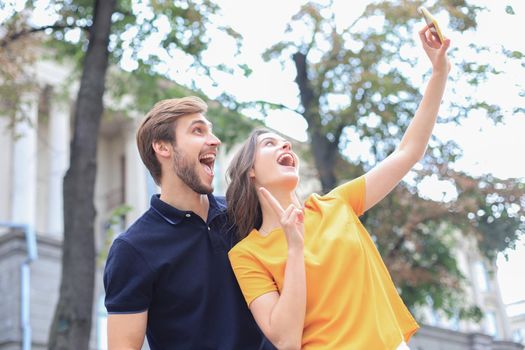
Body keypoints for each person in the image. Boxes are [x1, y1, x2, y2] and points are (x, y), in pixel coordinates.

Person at [226, 26, 451, 350]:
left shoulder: (336, 205)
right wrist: (293, 246)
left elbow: (408, 152)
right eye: (269, 143)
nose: (284, 144)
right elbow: (286, 340)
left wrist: (439, 72)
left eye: (284, 140)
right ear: (250, 171)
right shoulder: (247, 254)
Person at [103, 96, 273, 349]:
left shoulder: (244, 214)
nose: (214, 141)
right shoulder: (133, 249)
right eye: (198, 130)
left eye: (211, 131)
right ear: (163, 147)